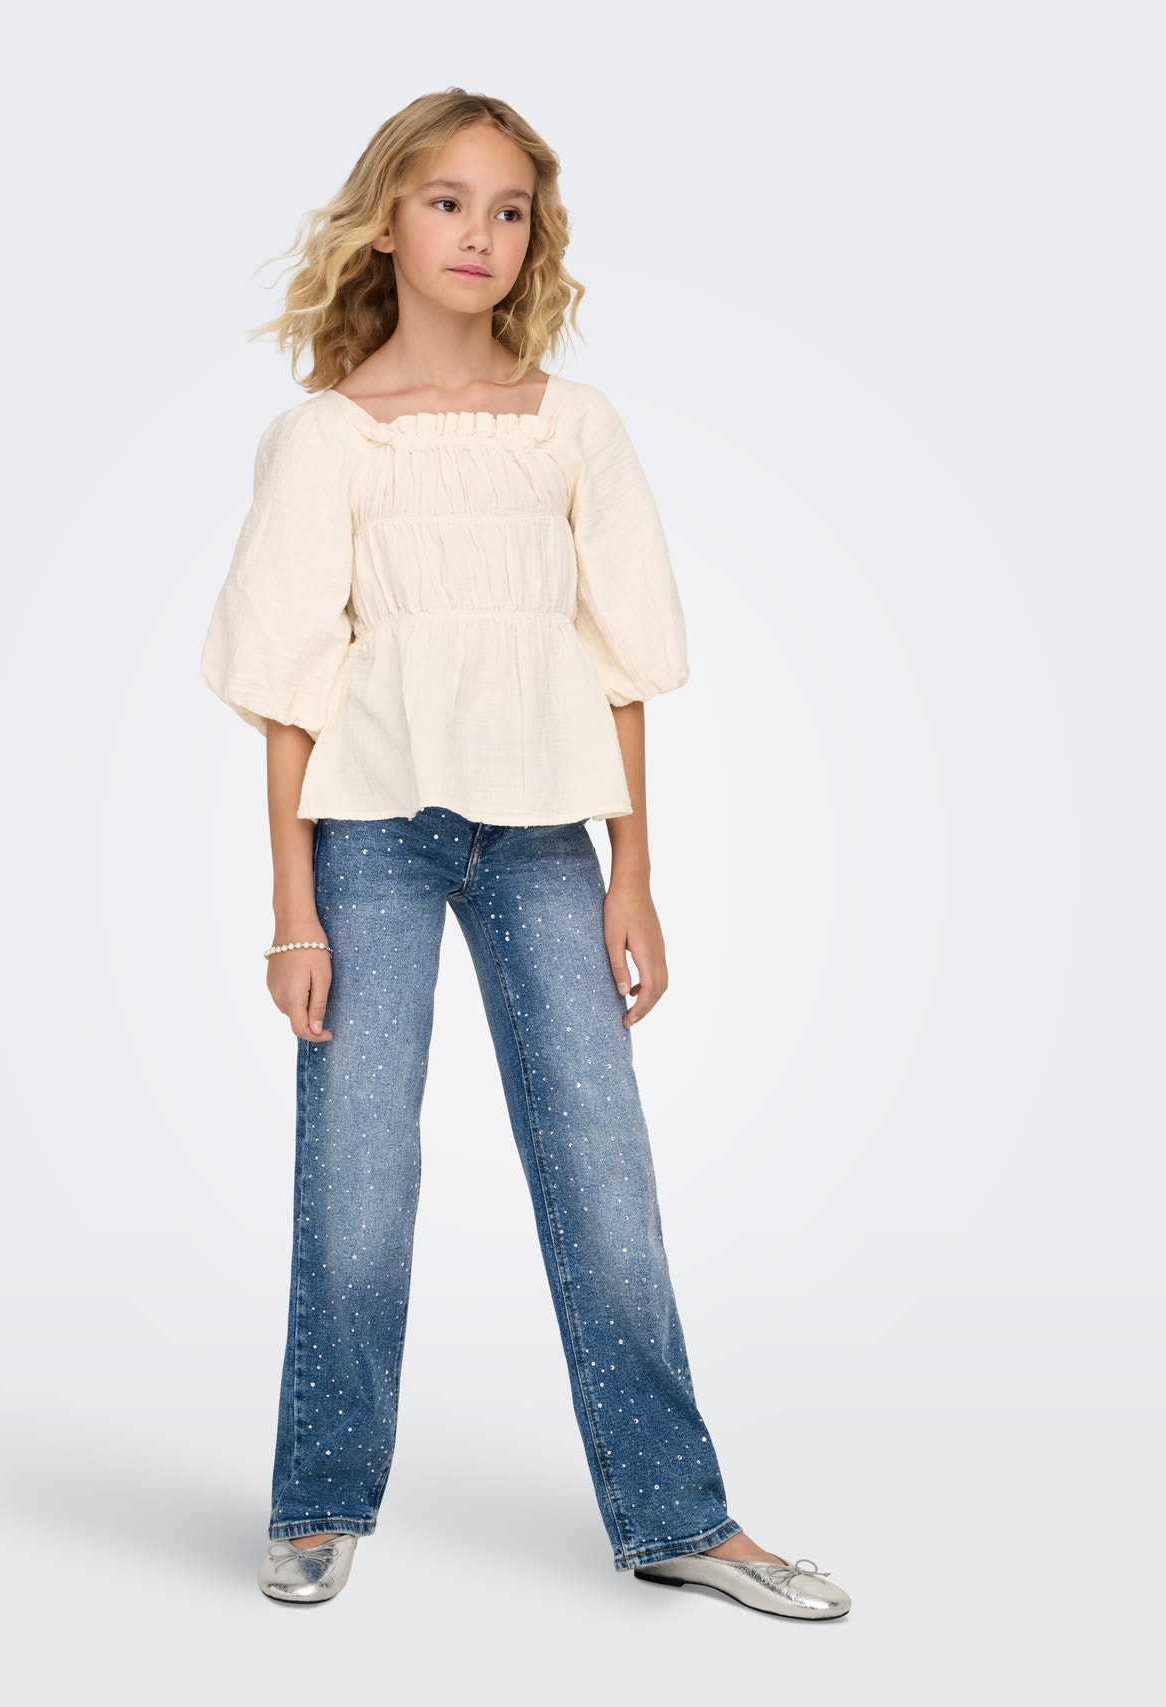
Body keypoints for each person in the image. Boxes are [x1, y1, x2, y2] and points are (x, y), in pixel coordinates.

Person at [200, 87, 851, 1621]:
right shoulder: (327, 438)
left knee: (604, 1176)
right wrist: (291, 912)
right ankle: (318, 1498)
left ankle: (678, 1516)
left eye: (508, 209)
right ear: (387, 220)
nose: (478, 233)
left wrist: (636, 872)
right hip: (370, 840)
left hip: (549, 837)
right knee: (358, 1178)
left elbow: (620, 661)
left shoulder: (576, 426)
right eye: (447, 200)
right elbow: (287, 693)